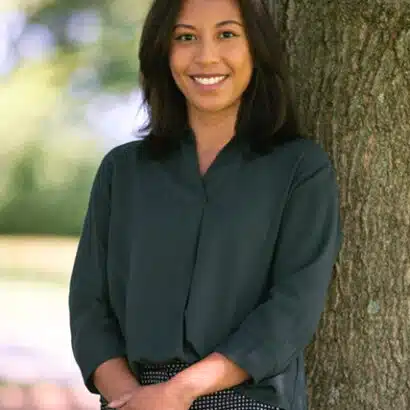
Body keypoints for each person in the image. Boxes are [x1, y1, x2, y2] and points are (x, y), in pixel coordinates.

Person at [68, 0, 343, 409]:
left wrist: (179, 393)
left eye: (227, 34)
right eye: (186, 37)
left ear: (256, 48)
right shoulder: (122, 172)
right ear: (163, 50)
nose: (206, 56)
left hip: (252, 399)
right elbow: (89, 307)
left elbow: (293, 307)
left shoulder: (300, 168)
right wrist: (133, 398)